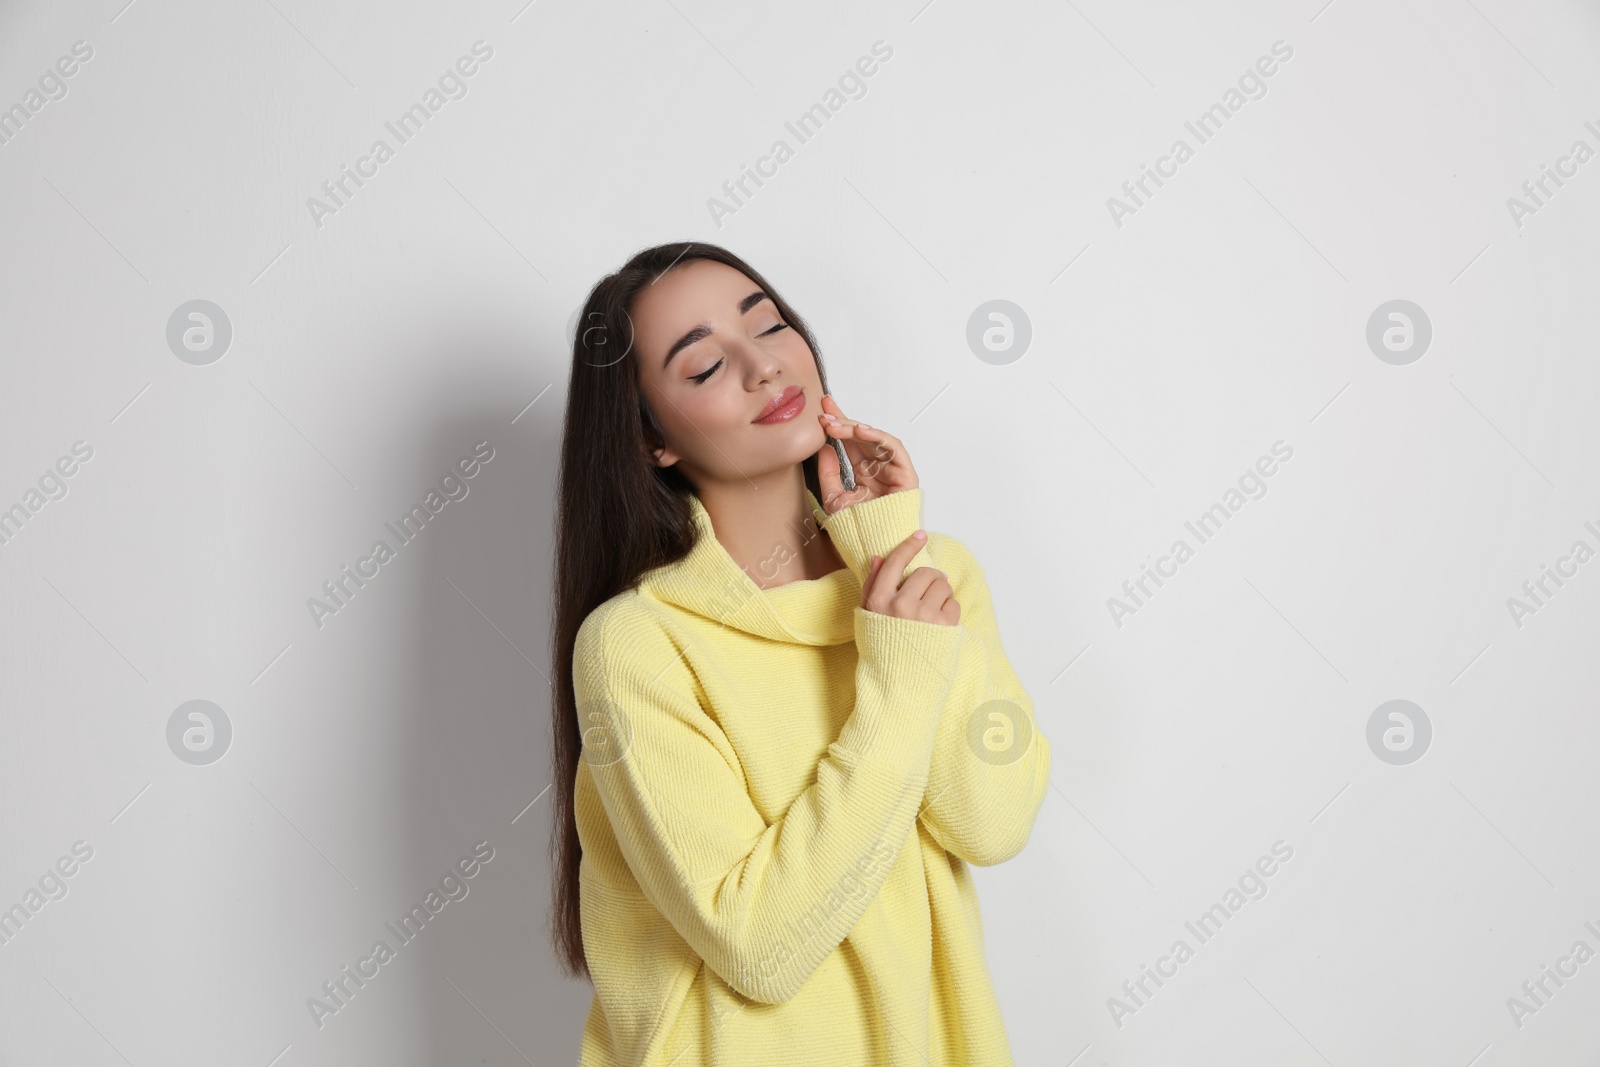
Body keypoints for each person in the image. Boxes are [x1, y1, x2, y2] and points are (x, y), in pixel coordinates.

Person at [547, 240, 1051, 1065]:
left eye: (770, 325)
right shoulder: (638, 643)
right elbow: (760, 947)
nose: (763, 368)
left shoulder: (932, 576)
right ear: (651, 442)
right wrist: (894, 681)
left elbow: (991, 824)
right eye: (705, 367)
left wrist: (891, 554)